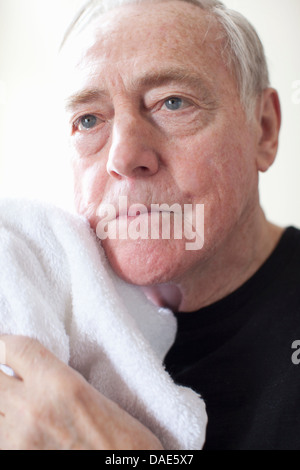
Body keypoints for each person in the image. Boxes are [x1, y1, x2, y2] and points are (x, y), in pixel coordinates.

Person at [0, 0, 299, 450]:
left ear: (265, 127)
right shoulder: (32, 312)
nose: (123, 157)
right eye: (88, 120)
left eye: (172, 102)